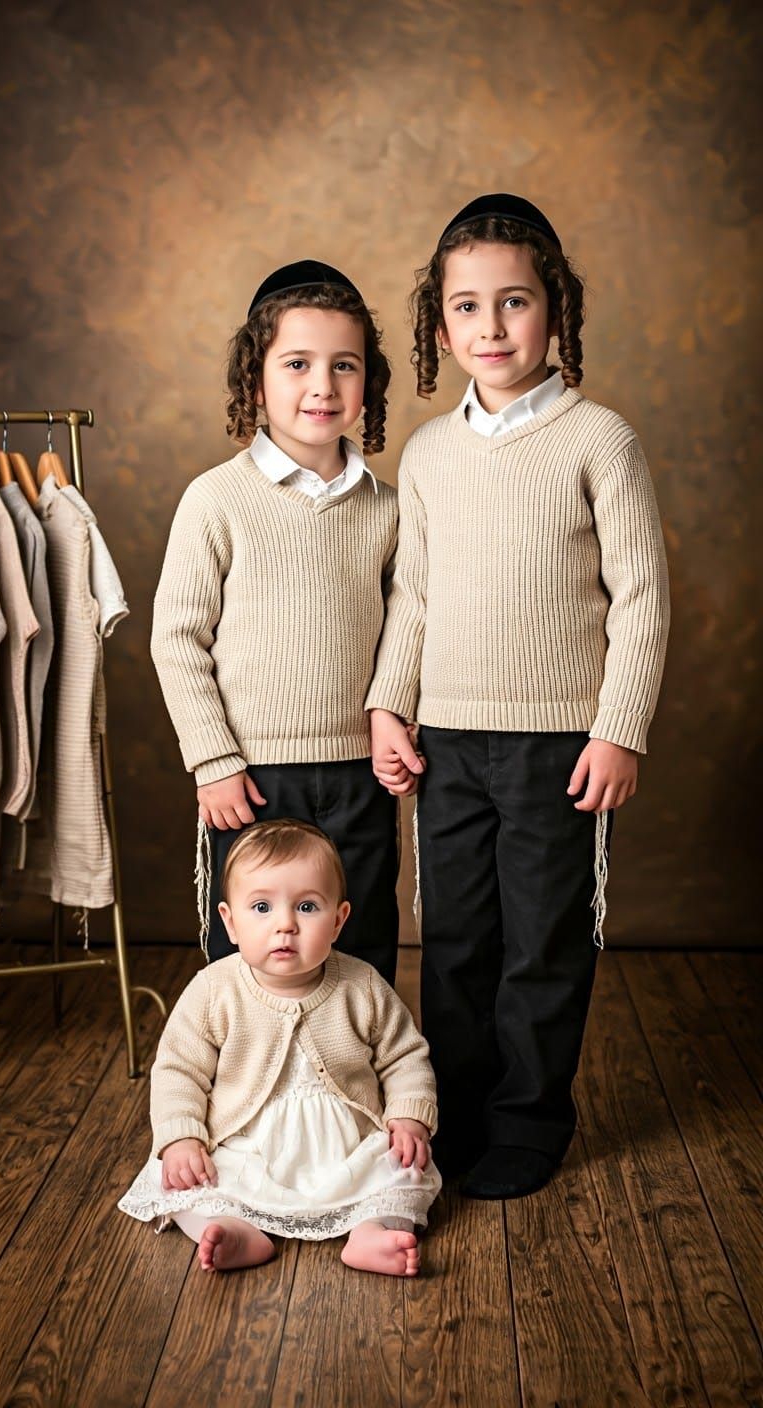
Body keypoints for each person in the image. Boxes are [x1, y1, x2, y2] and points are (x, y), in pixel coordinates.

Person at [366, 194, 670, 1199]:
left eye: (514, 303)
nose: (490, 329)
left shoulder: (601, 441)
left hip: (559, 748)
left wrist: (618, 728)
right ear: (438, 324)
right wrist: (386, 708)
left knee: (543, 942)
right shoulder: (426, 455)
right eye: (465, 308)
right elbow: (412, 594)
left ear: (557, 311)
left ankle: (529, 1122)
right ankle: (453, 1113)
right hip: (449, 742)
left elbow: (643, 598)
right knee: (455, 941)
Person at [151, 261, 400, 980]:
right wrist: (214, 761)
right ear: (255, 382)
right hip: (251, 775)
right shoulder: (216, 500)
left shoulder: (386, 509)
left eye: (343, 366)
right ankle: (257, 1086)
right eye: (297, 364)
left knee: (359, 937)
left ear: (367, 385)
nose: (322, 385)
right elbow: (177, 639)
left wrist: (394, 713)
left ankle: (352, 1080)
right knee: (256, 953)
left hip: (360, 772)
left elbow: (407, 621)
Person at [118, 820, 441, 1276]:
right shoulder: (213, 990)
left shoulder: (362, 985)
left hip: (346, 1146)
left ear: (338, 920)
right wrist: (182, 1138)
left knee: (407, 1172)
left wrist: (408, 1116)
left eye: (307, 907)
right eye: (262, 907)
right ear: (230, 922)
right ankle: (234, 1229)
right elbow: (178, 1071)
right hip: (245, 1143)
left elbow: (404, 1056)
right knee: (182, 1183)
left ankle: (370, 1232)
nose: (285, 925)